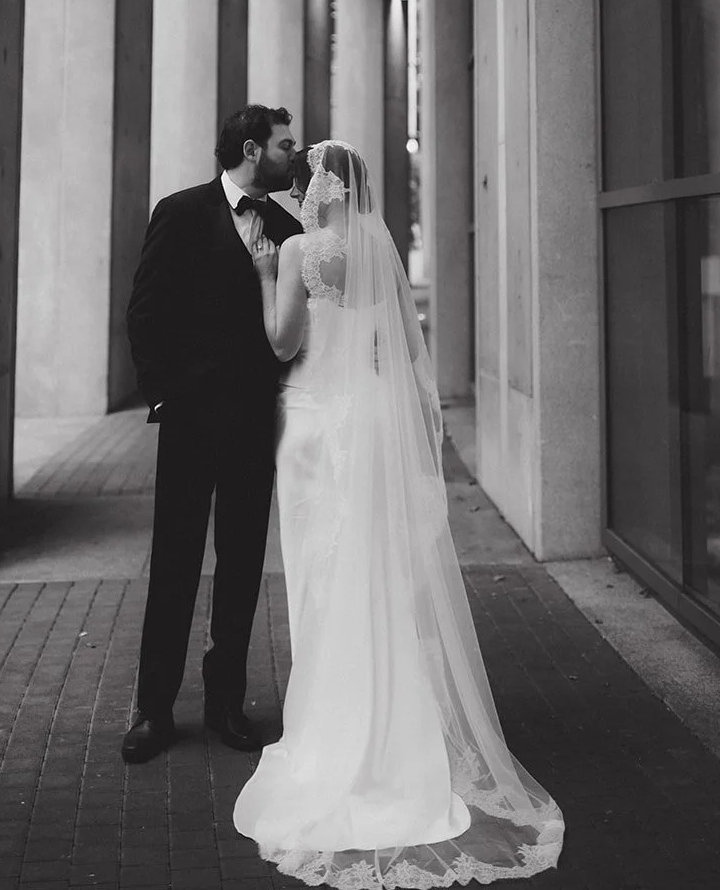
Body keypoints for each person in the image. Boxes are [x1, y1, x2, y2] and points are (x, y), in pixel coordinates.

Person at [233, 139, 564, 887]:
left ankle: (332, 722)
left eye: (310, 177)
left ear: (324, 185)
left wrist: (260, 271)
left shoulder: (297, 252)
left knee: (319, 574)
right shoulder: (377, 248)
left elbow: (282, 341)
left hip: (317, 425)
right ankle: (393, 719)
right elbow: (390, 353)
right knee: (375, 570)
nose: (305, 188)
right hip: (370, 421)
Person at [121, 104, 303, 764]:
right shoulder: (179, 210)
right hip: (190, 421)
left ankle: (226, 702)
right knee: (173, 563)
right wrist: (164, 394)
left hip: (255, 423)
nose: (296, 157)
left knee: (242, 564)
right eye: (286, 146)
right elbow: (144, 312)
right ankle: (154, 709)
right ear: (252, 151)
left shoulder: (286, 229)